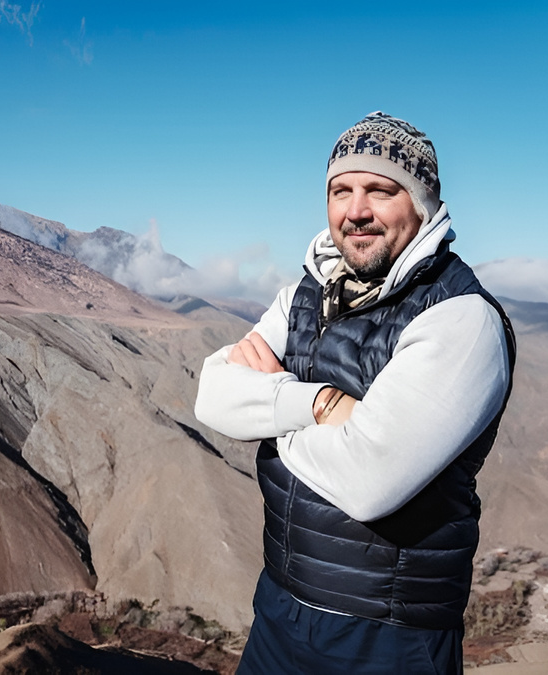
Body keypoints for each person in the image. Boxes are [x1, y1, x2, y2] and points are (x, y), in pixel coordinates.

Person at [194, 112, 516, 674]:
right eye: (340, 190)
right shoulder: (302, 295)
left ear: (422, 204)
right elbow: (213, 396)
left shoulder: (462, 320)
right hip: (279, 608)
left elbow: (370, 479)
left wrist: (268, 405)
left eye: (380, 190)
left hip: (388, 639)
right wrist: (317, 405)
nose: (355, 210)